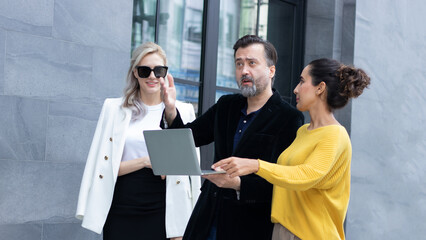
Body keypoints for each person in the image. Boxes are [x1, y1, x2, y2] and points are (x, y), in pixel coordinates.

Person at [160, 35, 304, 240]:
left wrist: (238, 184)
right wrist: (171, 109)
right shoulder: (226, 105)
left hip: (249, 226)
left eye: (252, 63)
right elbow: (187, 140)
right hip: (208, 217)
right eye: (239, 64)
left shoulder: (289, 118)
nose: (244, 70)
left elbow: (285, 182)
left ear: (271, 71)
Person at [213, 58, 371, 240]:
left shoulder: (335, 135)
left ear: (320, 88)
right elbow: (286, 175)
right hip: (284, 230)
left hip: (311, 235)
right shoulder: (304, 131)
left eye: (302, 81)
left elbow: (306, 175)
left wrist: (256, 166)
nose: (296, 89)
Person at [75, 42, 200, 240]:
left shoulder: (182, 111)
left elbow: (189, 170)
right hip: (122, 204)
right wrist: (144, 161)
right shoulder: (114, 108)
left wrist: (186, 222)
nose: (152, 76)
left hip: (164, 206)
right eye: (144, 70)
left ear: (166, 74)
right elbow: (102, 167)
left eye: (158, 71)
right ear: (135, 73)